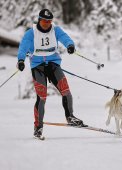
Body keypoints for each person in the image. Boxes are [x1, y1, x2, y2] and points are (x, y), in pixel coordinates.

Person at [17, 9, 85, 139]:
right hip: (38, 67)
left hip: (53, 65)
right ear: (39, 20)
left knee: (66, 90)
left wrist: (70, 45)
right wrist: (21, 60)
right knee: (41, 97)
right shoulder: (31, 33)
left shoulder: (55, 30)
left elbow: (65, 38)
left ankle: (70, 117)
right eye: (44, 21)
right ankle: (38, 128)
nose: (47, 24)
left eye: (49, 21)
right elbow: (23, 47)